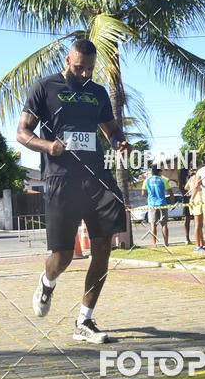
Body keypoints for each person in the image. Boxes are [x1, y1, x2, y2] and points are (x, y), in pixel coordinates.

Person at [17, 38, 129, 344]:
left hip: (96, 177)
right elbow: (22, 133)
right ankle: (47, 280)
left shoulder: (97, 92)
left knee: (103, 246)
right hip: (60, 179)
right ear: (68, 60)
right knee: (63, 256)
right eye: (79, 68)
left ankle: (85, 320)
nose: (83, 75)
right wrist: (48, 146)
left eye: (89, 70)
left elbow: (110, 128)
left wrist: (118, 140)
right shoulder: (44, 88)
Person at [146, 165, 175, 246]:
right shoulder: (163, 180)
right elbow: (170, 192)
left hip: (152, 204)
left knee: (153, 224)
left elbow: (143, 193)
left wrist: (150, 196)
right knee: (164, 224)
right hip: (162, 203)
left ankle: (154, 244)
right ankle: (166, 243)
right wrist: (172, 203)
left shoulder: (147, 180)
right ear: (159, 172)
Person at [186, 168, 205, 252]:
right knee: (198, 225)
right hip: (197, 200)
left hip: (195, 201)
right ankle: (198, 245)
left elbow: (186, 187)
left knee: (199, 225)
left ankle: (201, 244)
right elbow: (197, 187)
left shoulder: (190, 178)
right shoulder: (197, 177)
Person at [178, 165, 191, 245]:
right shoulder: (182, 171)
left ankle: (188, 238)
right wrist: (184, 194)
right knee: (188, 217)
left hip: (190, 196)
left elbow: (179, 185)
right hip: (188, 196)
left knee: (189, 218)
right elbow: (180, 185)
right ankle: (187, 237)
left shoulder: (196, 169)